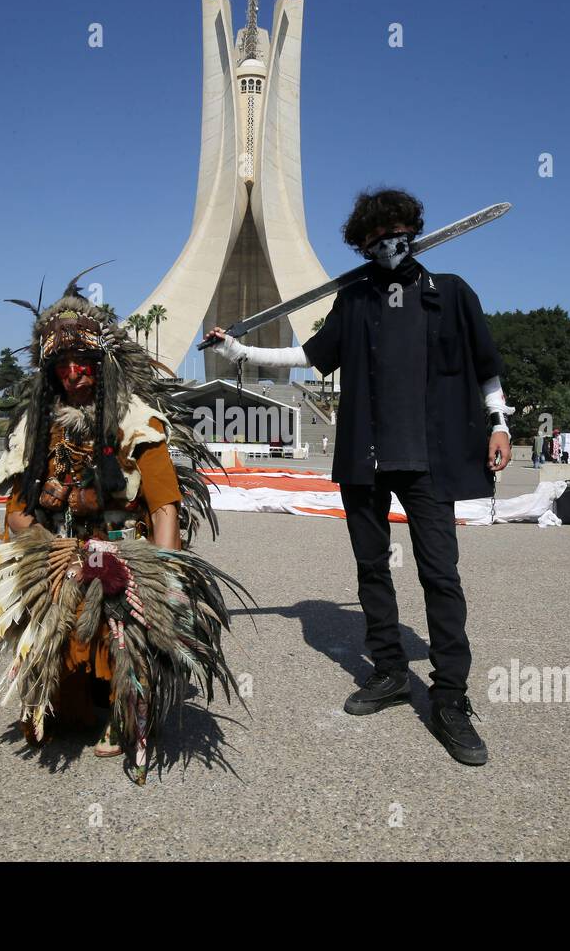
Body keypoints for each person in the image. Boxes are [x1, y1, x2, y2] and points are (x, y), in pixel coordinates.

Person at [204, 188, 512, 767]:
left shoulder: (448, 293)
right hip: (366, 459)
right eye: (373, 238)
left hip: (429, 458)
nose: (386, 243)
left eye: (394, 232)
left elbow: (486, 366)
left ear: (412, 231)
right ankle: (391, 671)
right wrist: (243, 351)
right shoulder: (355, 299)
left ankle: (450, 697)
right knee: (372, 569)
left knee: (440, 574)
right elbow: (309, 355)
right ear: (362, 245)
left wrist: (498, 423)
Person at [0, 273, 247, 785]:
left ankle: (125, 702)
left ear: (102, 363)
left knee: (114, 613)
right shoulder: (35, 427)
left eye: (84, 362)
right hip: (55, 549)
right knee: (61, 712)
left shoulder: (137, 420)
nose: (74, 374)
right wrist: (43, 555)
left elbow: (163, 509)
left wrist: (167, 580)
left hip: (120, 553)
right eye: (62, 366)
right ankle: (61, 690)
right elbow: (17, 512)